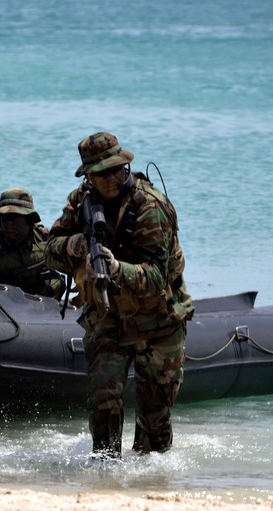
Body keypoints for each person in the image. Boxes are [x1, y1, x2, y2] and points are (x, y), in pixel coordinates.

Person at [43, 133, 194, 458]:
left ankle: (151, 484)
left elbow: (155, 278)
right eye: (101, 173)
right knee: (102, 404)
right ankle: (105, 475)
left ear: (126, 166)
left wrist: (115, 268)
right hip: (108, 316)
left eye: (116, 170)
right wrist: (78, 245)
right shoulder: (80, 201)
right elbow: (50, 251)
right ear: (88, 176)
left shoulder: (150, 207)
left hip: (158, 320)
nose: (110, 178)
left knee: (154, 427)